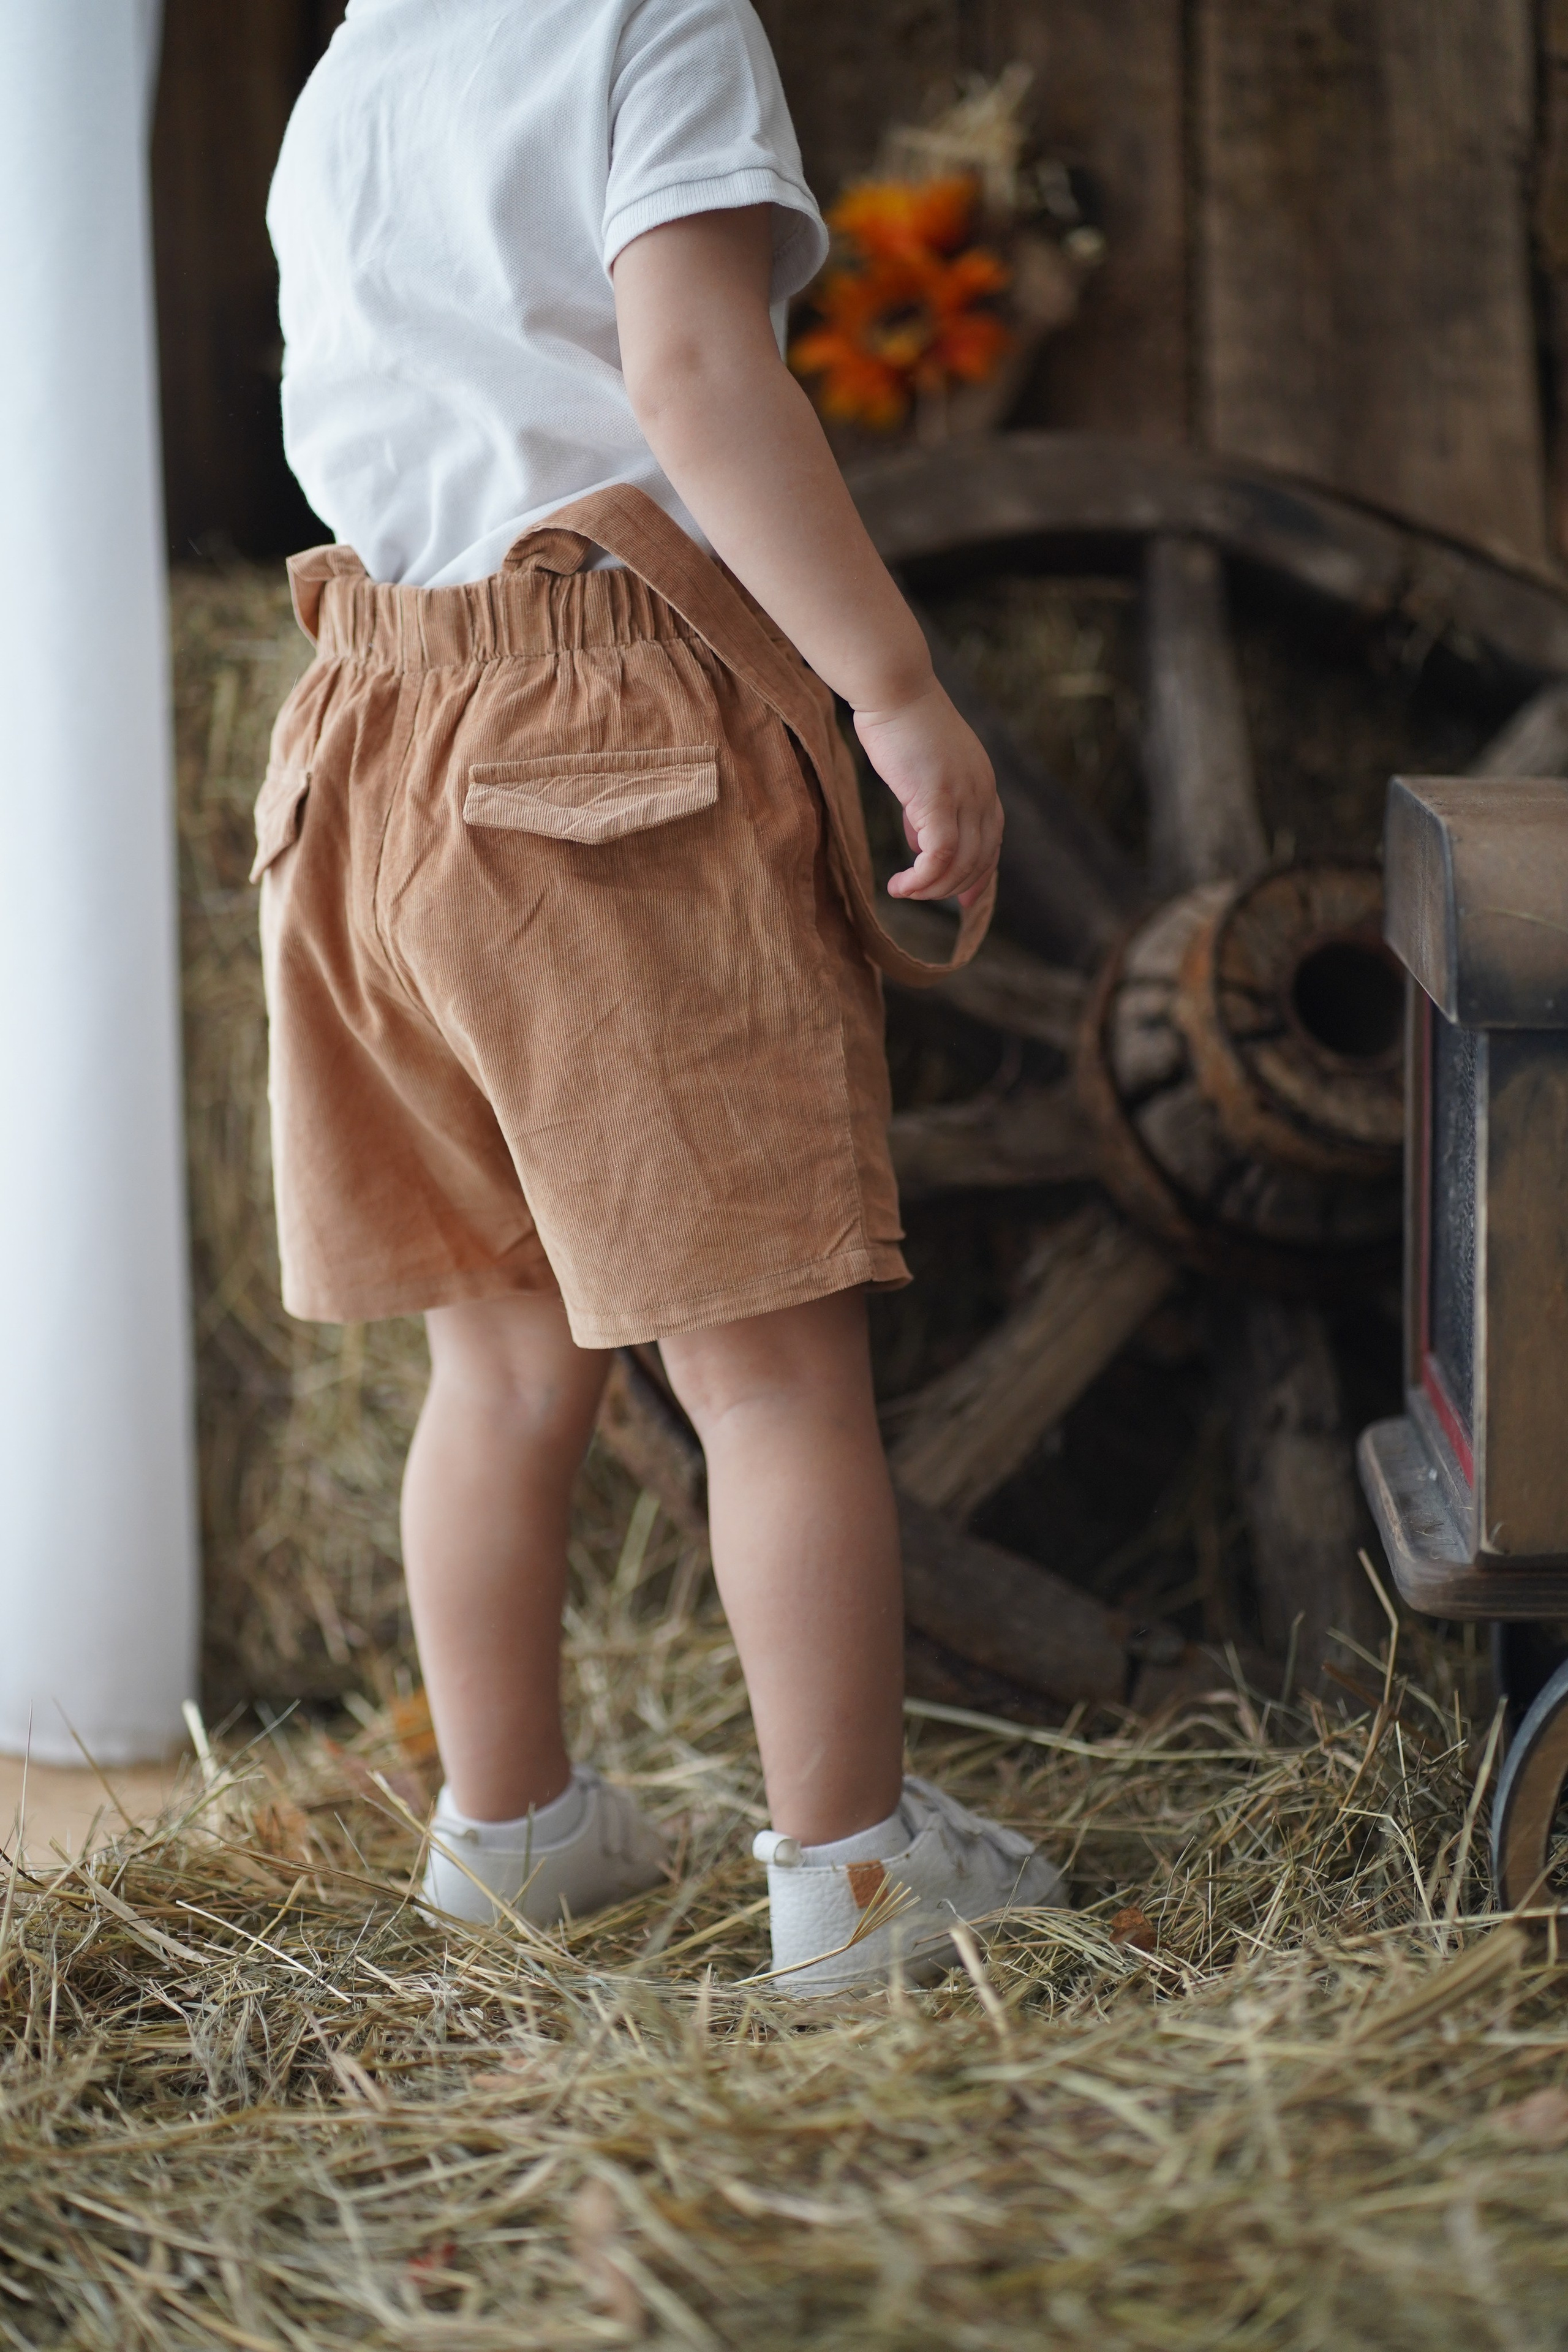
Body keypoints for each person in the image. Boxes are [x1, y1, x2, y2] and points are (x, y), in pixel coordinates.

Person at [262, 0, 1062, 1994]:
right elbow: (696, 372)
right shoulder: (651, 20)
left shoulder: (356, 66)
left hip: (362, 737)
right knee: (767, 1373)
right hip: (595, 737)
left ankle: (513, 1831)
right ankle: (855, 1885)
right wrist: (892, 687)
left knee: (498, 1362)